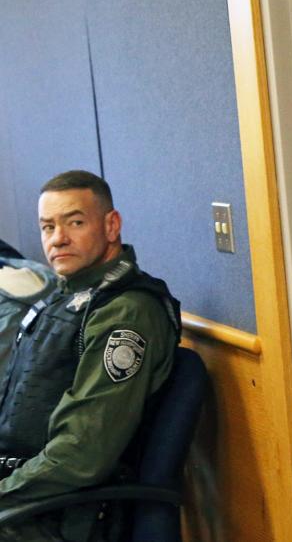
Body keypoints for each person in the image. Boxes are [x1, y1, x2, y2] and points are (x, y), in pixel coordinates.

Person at [0, 170, 180, 541]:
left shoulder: (126, 313)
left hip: (62, 517)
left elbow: (82, 455)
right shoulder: (64, 296)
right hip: (27, 494)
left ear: (112, 225)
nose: (58, 239)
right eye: (47, 227)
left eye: (75, 222)